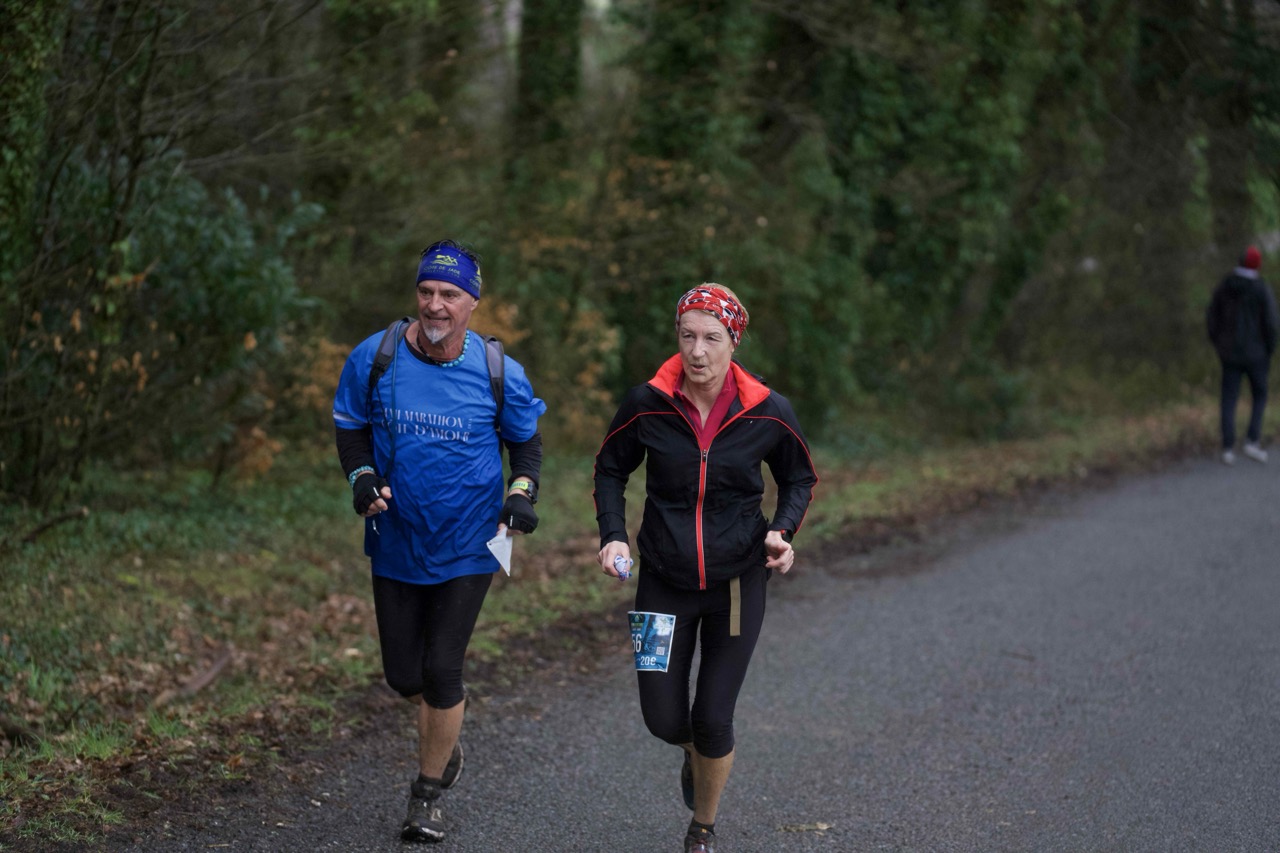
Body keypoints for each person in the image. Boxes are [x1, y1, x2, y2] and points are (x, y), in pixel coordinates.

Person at [332, 240, 546, 843]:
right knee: (405, 676)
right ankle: (444, 733)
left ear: (473, 302)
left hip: (470, 542)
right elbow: (350, 428)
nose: (435, 304)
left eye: (450, 294)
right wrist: (361, 477)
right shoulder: (375, 357)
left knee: (442, 668)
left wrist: (521, 494)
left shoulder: (498, 371)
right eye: (426, 291)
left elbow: (526, 447)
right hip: (396, 536)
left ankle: (426, 796)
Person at [593, 284, 818, 853]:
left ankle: (702, 829)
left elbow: (798, 477)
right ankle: (696, 754)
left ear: (733, 341)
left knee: (714, 717)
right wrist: (613, 535)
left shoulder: (767, 409)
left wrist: (782, 531)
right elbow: (610, 469)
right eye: (687, 335)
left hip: (737, 585)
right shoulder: (646, 402)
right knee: (662, 719)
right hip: (660, 583)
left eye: (712, 338)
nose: (697, 351)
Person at [1206, 245, 1279, 465]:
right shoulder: (1261, 288)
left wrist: (1219, 344)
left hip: (1230, 353)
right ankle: (1252, 440)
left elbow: (1212, 316)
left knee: (1229, 397)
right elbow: (1271, 322)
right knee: (1260, 395)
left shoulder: (1225, 285)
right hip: (1257, 354)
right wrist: (1270, 348)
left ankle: (1228, 447)